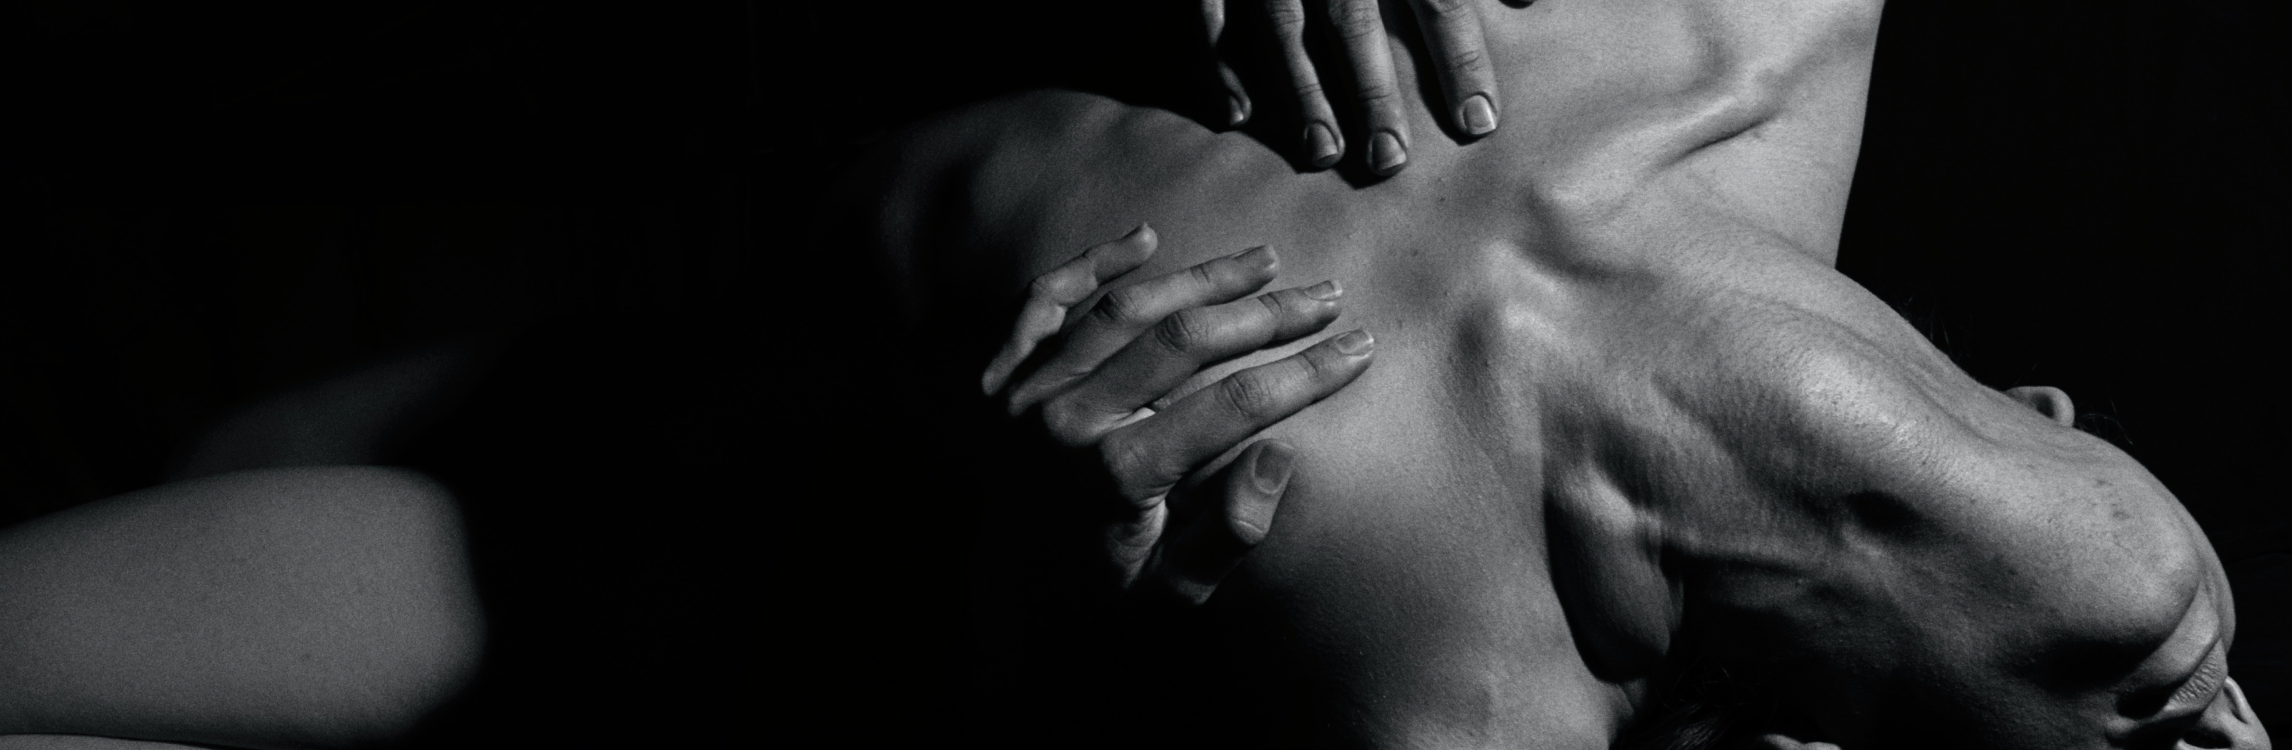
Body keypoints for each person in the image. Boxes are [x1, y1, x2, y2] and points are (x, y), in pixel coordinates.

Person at [855, 0, 2274, 747]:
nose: (2245, 735)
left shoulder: (1461, 699)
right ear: (2037, 412)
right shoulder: (1780, 24)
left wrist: (1032, 641)